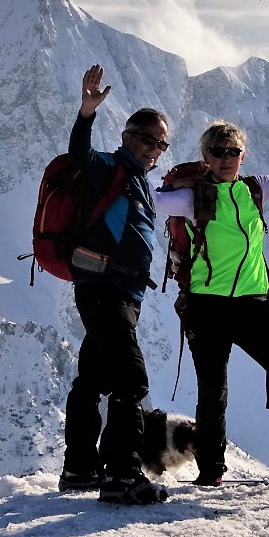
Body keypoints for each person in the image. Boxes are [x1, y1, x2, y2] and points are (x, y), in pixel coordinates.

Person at [155, 105, 269, 485]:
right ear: (205, 157)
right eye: (219, 152)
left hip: (255, 303)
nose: (227, 159)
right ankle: (211, 473)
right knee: (213, 392)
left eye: (234, 151)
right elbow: (150, 200)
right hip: (206, 306)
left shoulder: (255, 189)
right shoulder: (194, 198)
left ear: (243, 155)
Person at [58, 64, 170, 505]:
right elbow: (78, 157)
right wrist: (86, 113)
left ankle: (80, 469)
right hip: (105, 290)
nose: (154, 149)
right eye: (147, 139)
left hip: (121, 293)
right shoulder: (108, 166)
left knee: (93, 379)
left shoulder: (139, 182)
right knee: (130, 379)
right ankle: (121, 475)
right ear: (127, 137)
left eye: (161, 144)